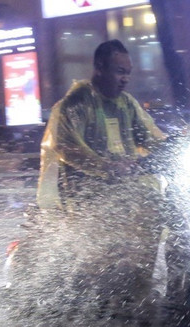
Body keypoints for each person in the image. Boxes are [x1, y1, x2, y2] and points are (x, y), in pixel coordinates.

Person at [37, 39, 167, 211]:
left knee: (163, 205)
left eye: (128, 73)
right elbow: (66, 147)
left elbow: (148, 136)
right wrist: (106, 167)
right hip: (89, 198)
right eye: (120, 72)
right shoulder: (78, 102)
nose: (125, 79)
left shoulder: (126, 104)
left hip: (124, 189)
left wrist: (172, 147)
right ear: (99, 68)